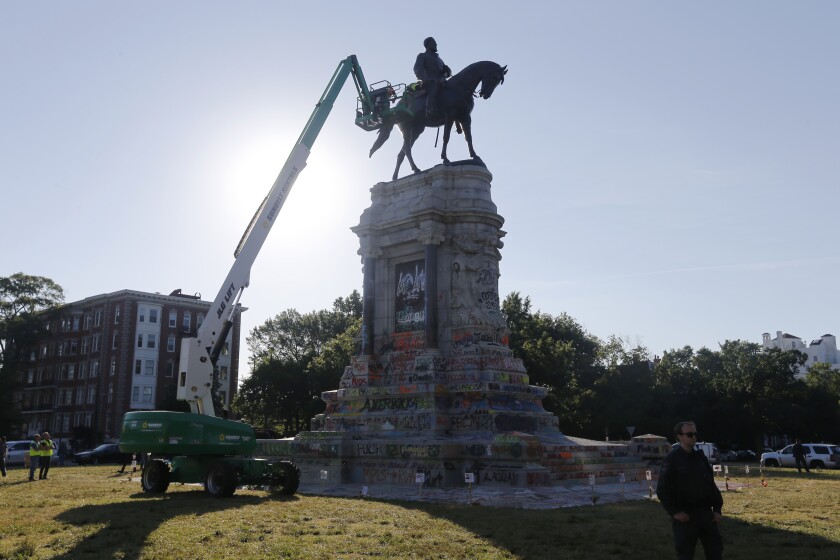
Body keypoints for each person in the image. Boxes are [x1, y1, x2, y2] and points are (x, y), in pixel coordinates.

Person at [656, 421, 723, 560]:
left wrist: (717, 509)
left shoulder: (701, 458)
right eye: (689, 434)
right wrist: (675, 512)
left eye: (695, 434)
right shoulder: (672, 460)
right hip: (685, 516)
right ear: (679, 436)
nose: (693, 437)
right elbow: (662, 489)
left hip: (706, 514)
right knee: (685, 555)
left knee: (715, 552)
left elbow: (710, 485)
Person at [413, 37, 451, 118]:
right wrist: (425, 79)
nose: (436, 44)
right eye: (434, 42)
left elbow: (445, 73)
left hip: (442, 82)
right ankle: (430, 109)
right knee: (434, 88)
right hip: (430, 83)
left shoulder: (439, 59)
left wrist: (447, 71)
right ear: (428, 44)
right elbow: (417, 69)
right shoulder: (422, 56)